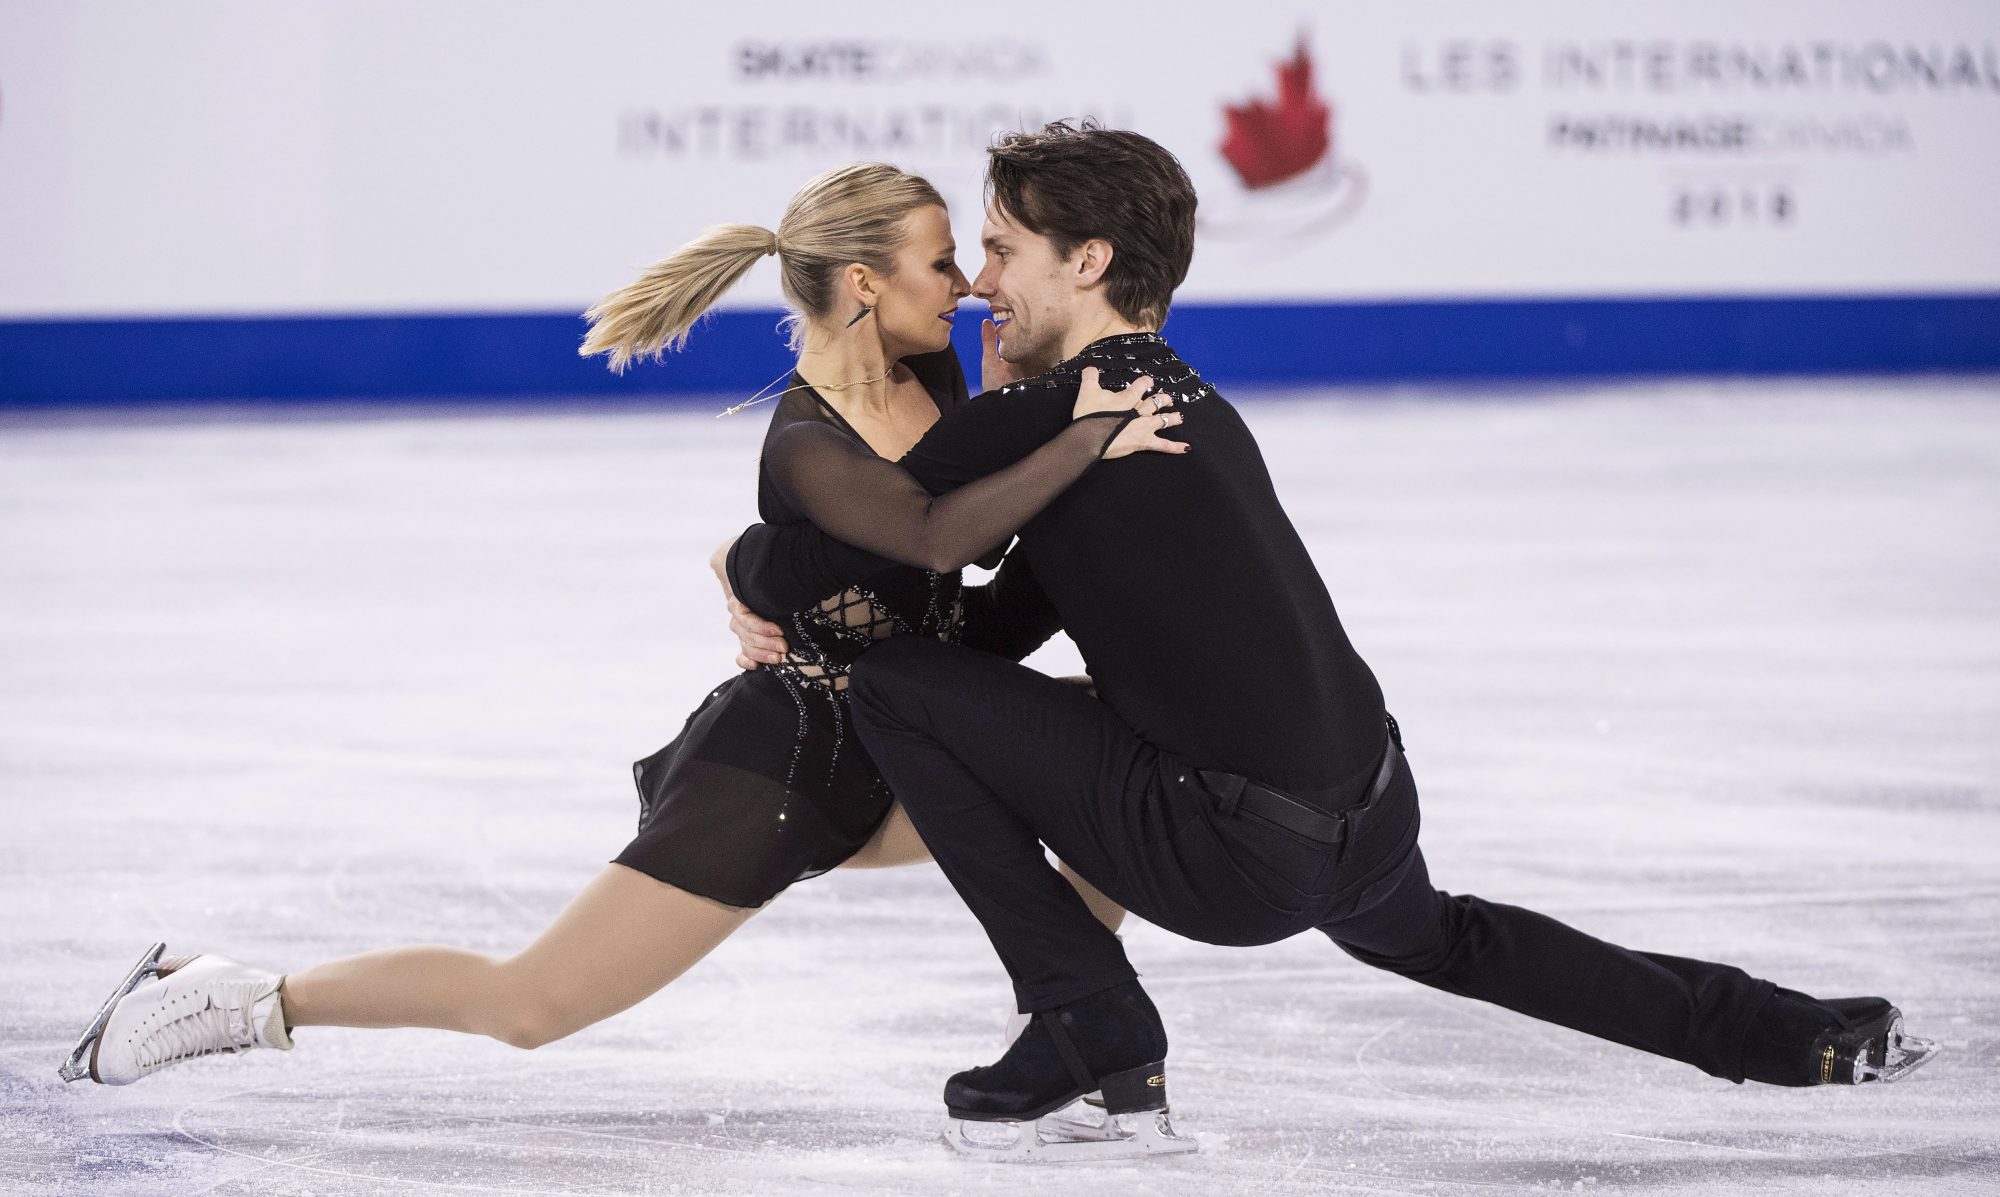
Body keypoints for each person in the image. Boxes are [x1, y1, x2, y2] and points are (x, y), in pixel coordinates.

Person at [720, 122, 1938, 1162]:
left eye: (998, 251)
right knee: (1440, 936)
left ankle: (1084, 1015)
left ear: (1083, 261)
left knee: (889, 688)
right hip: (1364, 802)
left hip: (1234, 846)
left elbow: (858, 548)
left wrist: (749, 576)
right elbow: (991, 628)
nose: (981, 285)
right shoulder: (1171, 399)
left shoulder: (1061, 412)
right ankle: (1783, 1034)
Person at [58, 161, 1188, 1090]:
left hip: (913, 729)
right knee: (532, 1004)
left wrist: (997, 399)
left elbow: (952, 558)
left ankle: (1095, 1048)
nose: (967, 284)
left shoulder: (935, 365)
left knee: (1116, 768)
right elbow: (930, 536)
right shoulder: (806, 439)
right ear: (860, 281)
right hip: (793, 761)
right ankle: (238, 998)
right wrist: (751, 559)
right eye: (942, 263)